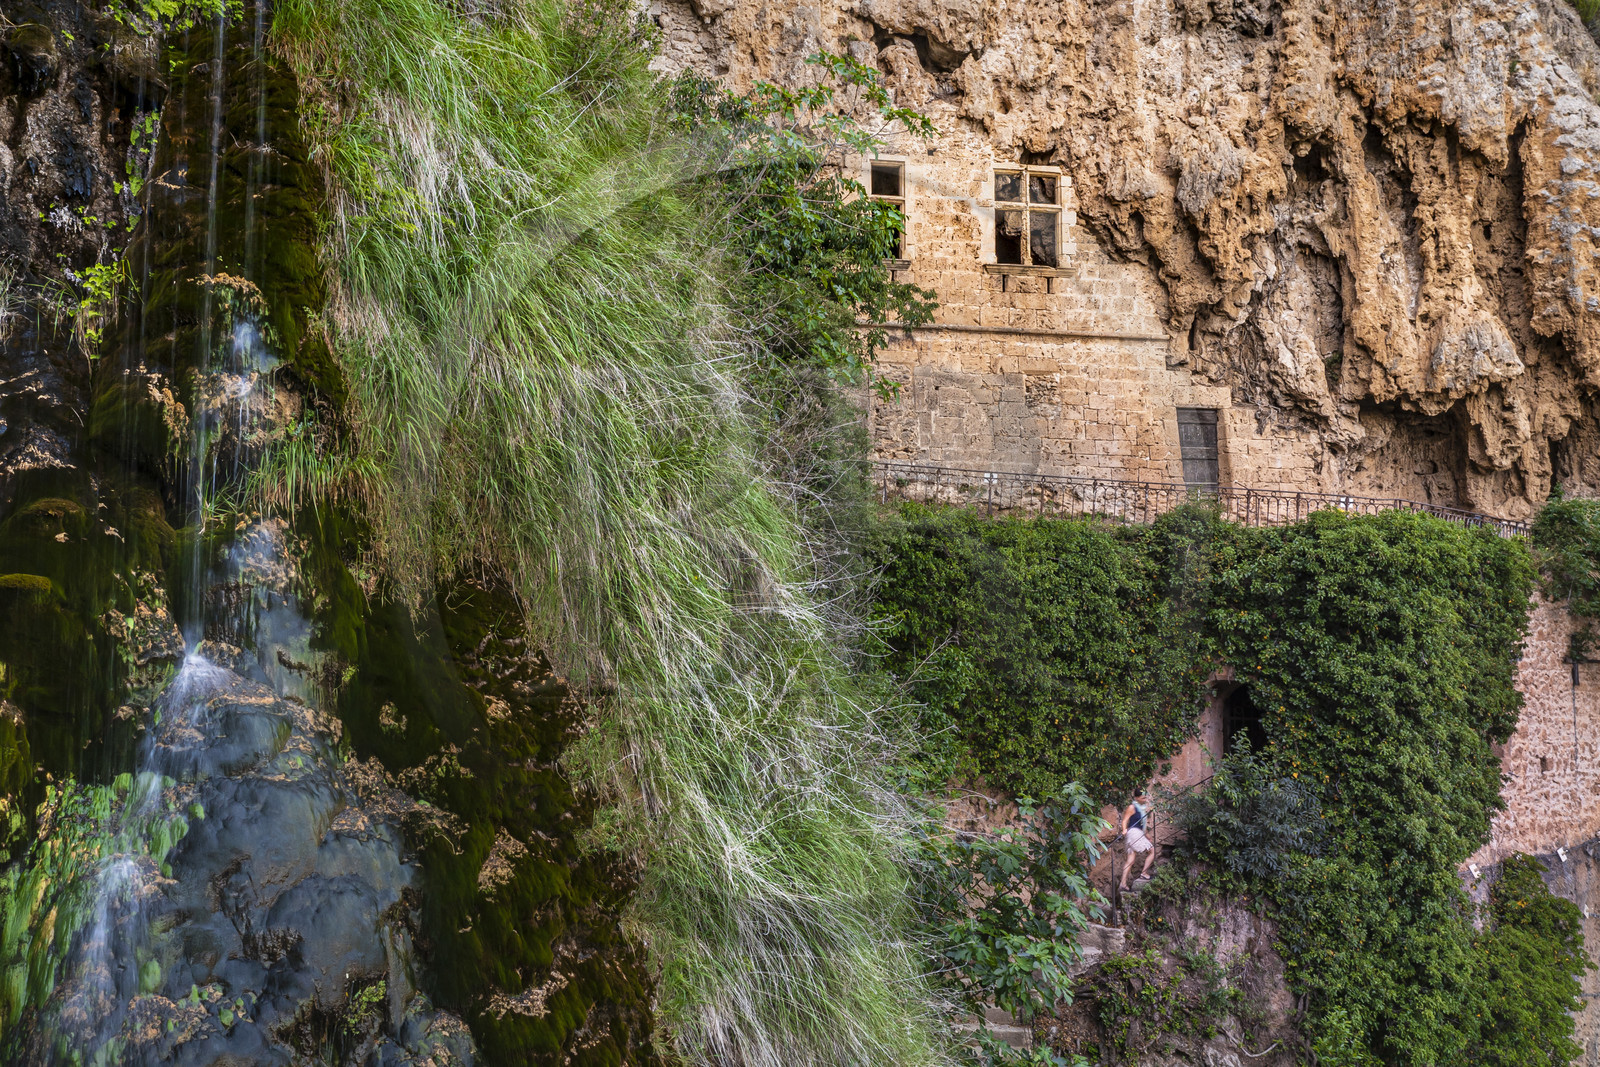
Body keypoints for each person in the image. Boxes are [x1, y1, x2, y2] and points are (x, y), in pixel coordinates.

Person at [1119, 789, 1156, 890]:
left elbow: (1142, 826)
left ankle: (1123, 883)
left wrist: (1147, 836)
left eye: (1145, 797)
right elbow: (1125, 820)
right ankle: (1144, 873)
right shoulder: (1132, 807)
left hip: (1137, 832)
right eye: (1143, 797)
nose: (1145, 799)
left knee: (1130, 860)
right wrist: (1124, 830)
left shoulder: (1141, 808)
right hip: (1134, 833)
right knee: (1152, 851)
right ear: (1136, 798)